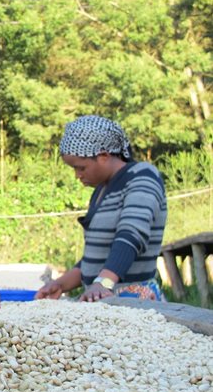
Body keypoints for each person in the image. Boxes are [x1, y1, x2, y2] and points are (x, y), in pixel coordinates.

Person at [36, 115, 168, 303]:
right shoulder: (101, 189)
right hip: (100, 295)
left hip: (132, 298)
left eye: (81, 168)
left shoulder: (142, 176)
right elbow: (95, 258)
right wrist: (60, 284)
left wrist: (104, 283)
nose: (77, 175)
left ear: (104, 156)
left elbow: (131, 235)